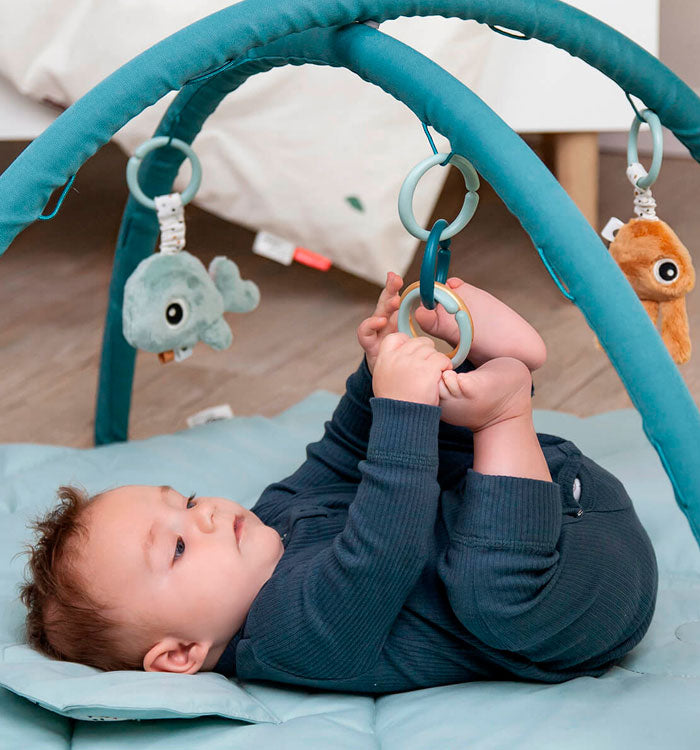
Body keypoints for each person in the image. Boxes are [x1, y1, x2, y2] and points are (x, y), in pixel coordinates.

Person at [20, 273, 658, 692]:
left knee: (414, 449)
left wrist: (378, 365)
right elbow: (387, 548)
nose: (207, 514)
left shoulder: (270, 520)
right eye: (180, 547)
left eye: (185, 502)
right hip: (586, 592)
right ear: (181, 653)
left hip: (546, 489)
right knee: (487, 588)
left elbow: (346, 451)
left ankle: (479, 351)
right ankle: (502, 410)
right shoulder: (287, 639)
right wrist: (403, 408)